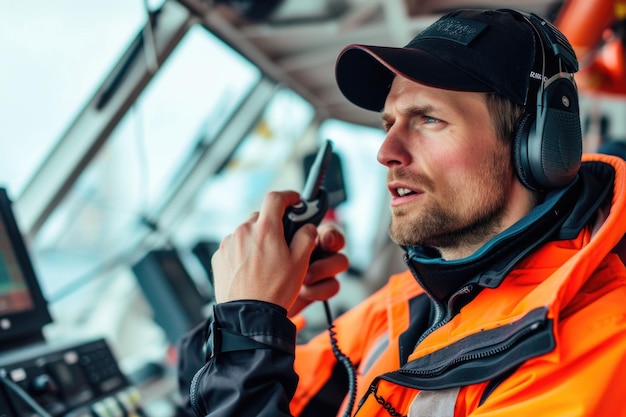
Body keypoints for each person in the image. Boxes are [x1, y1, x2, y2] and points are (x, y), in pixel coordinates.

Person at [176, 8, 626, 417]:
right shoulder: (410, 302)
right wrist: (261, 319)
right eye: (389, 123)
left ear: (540, 146)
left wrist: (248, 329)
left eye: (428, 119)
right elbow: (214, 392)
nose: (386, 151)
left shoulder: (600, 341)